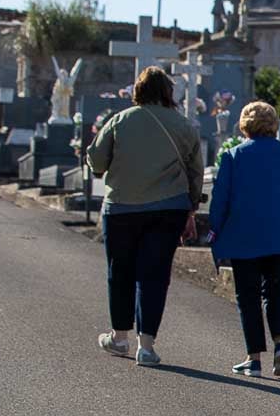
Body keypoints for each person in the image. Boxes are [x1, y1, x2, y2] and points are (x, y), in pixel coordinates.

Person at [87, 66, 204, 366]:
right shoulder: (184, 126)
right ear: (169, 93)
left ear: (138, 91)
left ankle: (119, 337)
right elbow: (195, 172)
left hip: (122, 208)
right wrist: (190, 207)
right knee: (154, 275)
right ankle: (147, 346)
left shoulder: (119, 121)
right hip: (168, 210)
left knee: (121, 272)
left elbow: (97, 162)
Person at [208, 101, 280, 378]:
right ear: (274, 125)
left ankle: (254, 358)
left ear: (245, 125)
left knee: (247, 296)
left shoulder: (233, 156)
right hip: (279, 233)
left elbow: (220, 199)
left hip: (243, 234)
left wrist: (215, 229)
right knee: (274, 290)